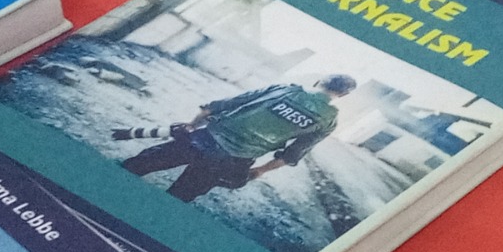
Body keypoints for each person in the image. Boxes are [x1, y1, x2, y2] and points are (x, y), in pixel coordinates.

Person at [112, 75, 356, 202]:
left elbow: (223, 105)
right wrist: (259, 171)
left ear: (318, 81)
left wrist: (192, 124)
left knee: (137, 165)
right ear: (343, 95)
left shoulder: (283, 89)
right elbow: (293, 154)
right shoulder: (329, 121)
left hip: (203, 139)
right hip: (233, 161)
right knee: (179, 197)